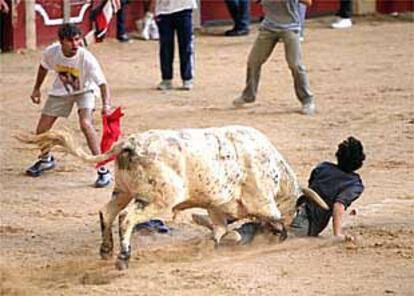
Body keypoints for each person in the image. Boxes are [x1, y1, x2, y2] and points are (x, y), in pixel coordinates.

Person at [193, 136, 366, 244]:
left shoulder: (323, 167)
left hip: (290, 203)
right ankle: (237, 237)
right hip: (306, 222)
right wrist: (338, 234)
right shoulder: (354, 183)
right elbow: (338, 205)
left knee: (255, 208)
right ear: (359, 163)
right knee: (263, 232)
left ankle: (222, 220)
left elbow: (315, 188)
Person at [26, 23, 113, 188]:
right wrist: (36, 89)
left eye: (77, 40)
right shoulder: (51, 52)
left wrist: (106, 105)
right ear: (61, 41)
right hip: (61, 91)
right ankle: (45, 160)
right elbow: (43, 67)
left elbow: (103, 84)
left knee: (85, 124)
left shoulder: (87, 58)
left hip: (85, 90)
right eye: (70, 41)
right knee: (42, 130)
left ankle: (102, 169)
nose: (75, 44)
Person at [232, 0, 316, 115]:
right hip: (268, 28)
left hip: (290, 28)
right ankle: (248, 95)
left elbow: (308, 2)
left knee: (295, 64)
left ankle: (307, 99)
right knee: (253, 61)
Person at [155, 0, 197, 91]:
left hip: (184, 7)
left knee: (186, 45)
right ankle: (166, 78)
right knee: (165, 47)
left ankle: (187, 78)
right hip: (163, 10)